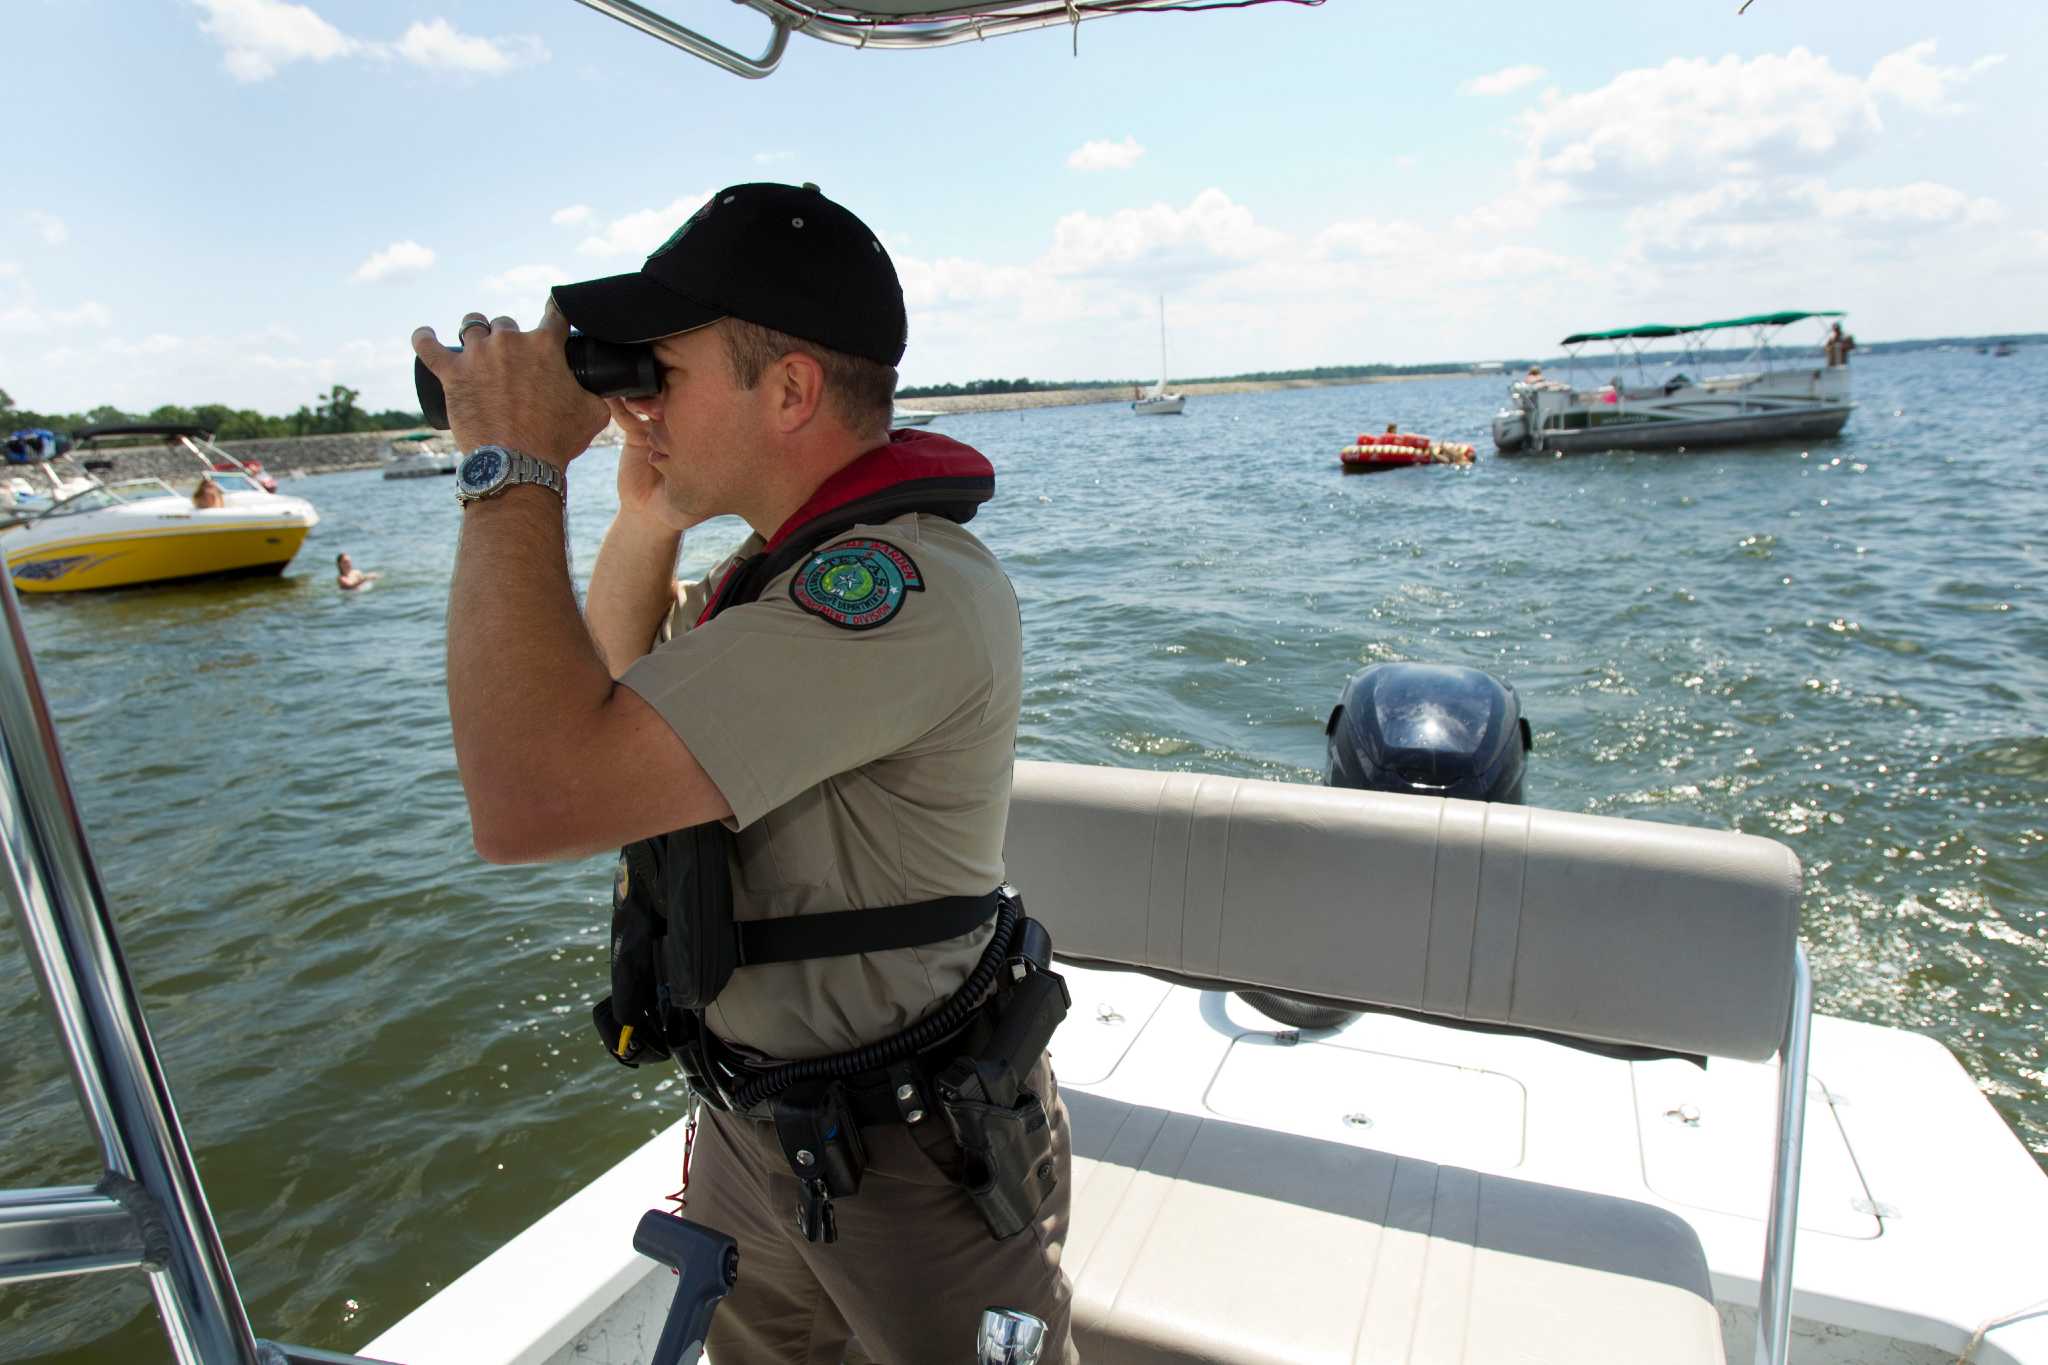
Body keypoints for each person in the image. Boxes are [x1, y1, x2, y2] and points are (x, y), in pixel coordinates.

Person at [411, 182, 1071, 1365]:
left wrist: (513, 466)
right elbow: (606, 689)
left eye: (657, 372)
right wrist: (647, 513)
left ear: (791, 388)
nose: (633, 403)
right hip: (757, 1130)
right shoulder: (773, 573)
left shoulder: (891, 593)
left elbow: (534, 796)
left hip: (913, 1158)